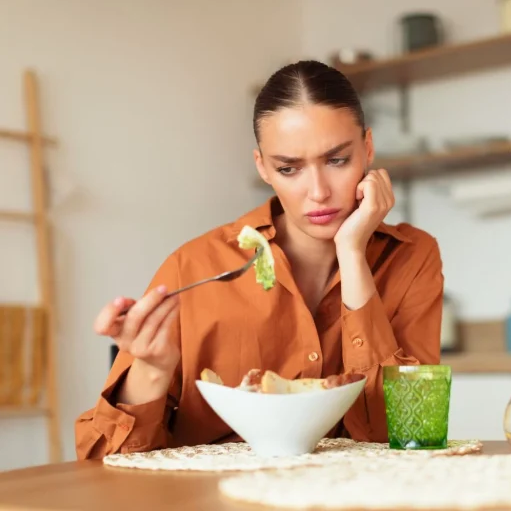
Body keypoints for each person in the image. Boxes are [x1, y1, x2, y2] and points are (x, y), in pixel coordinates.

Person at [74, 60, 444, 460]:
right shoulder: (196, 266)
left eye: (337, 160)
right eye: (289, 168)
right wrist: (151, 370)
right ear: (263, 167)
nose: (318, 192)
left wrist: (352, 252)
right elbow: (103, 464)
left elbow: (408, 437)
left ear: (367, 149)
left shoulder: (411, 256)